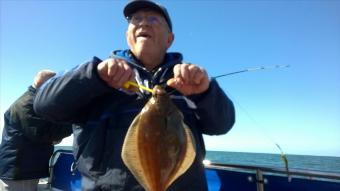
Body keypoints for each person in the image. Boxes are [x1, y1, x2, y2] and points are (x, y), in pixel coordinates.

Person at [33, 0, 235, 190]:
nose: (143, 23)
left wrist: (205, 93)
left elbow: (222, 124)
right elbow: (44, 105)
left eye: (153, 19)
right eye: (136, 19)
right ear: (127, 34)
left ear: (169, 39)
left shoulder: (189, 83)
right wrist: (93, 75)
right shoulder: (97, 78)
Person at [0, 70, 73, 191]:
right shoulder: (27, 104)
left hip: (23, 169)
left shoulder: (31, 102)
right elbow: (42, 133)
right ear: (47, 85)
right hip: (20, 171)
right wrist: (74, 124)